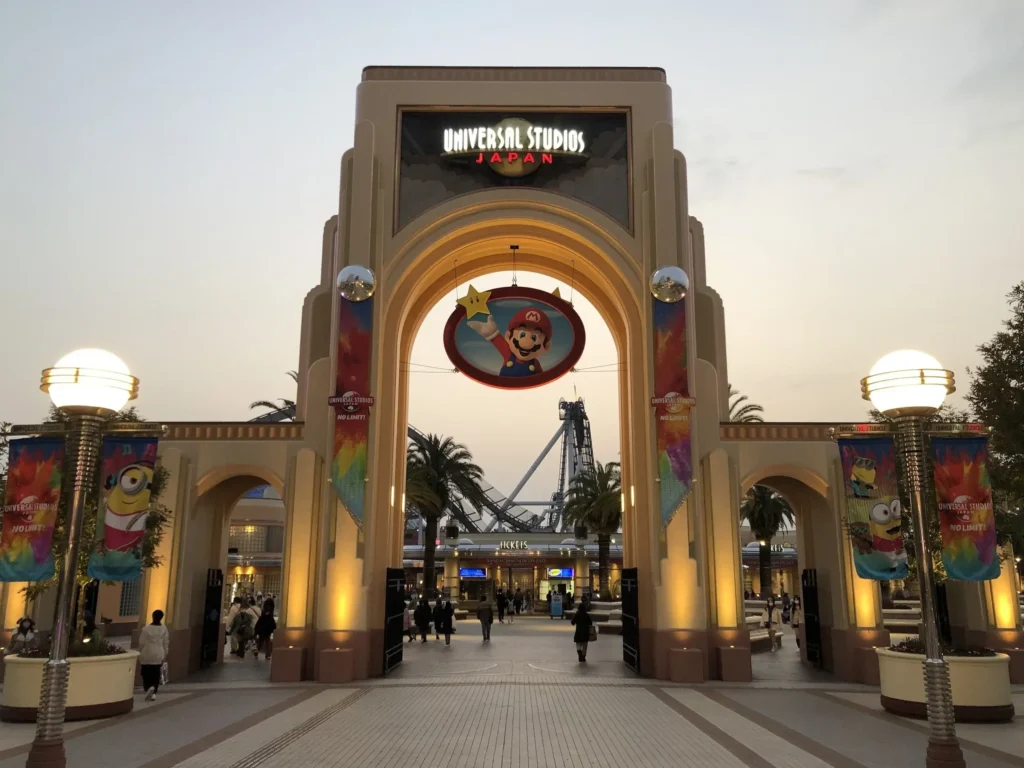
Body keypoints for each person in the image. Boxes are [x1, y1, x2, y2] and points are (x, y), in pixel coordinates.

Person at [139, 610, 169, 701]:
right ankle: (154, 692)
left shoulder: (146, 629)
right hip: (158, 653)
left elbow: (141, 642)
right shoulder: (164, 629)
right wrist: (165, 653)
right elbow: (166, 642)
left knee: (145, 672)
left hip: (146, 653)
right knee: (156, 673)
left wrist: (139, 651)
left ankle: (147, 687)